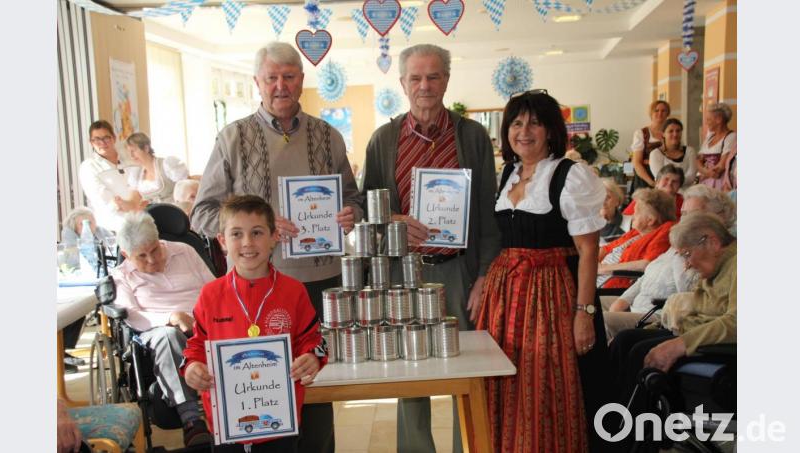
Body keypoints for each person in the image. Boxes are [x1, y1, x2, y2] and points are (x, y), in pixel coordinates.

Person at [190, 41, 361, 453]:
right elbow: (202, 213)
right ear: (257, 83)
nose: (281, 86)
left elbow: (353, 198)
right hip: (254, 290)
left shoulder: (328, 135)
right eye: (272, 78)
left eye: (289, 76)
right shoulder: (232, 137)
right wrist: (255, 229)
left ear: (301, 81)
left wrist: (349, 214)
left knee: (316, 388)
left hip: (319, 282)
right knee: (258, 387)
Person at [361, 44, 501, 453]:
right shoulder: (383, 140)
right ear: (403, 83)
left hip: (459, 270)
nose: (425, 86)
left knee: (466, 366)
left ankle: (467, 447)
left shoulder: (472, 136)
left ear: (446, 80)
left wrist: (483, 275)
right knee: (409, 371)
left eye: (434, 76)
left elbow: (488, 213)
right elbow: (370, 209)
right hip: (404, 272)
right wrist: (393, 220)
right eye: (416, 78)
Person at [475, 90, 609, 453]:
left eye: (534, 122)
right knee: (507, 381)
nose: (524, 130)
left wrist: (584, 314)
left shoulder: (569, 175)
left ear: (551, 130)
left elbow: (588, 250)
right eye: (517, 123)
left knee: (545, 383)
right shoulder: (509, 174)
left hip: (550, 298)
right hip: (506, 300)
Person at [183, 195, 325, 453]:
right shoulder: (210, 295)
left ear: (274, 238)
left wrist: (312, 357)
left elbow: (316, 341)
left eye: (257, 232)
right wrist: (193, 366)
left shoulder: (294, 292)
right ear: (223, 242)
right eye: (236, 234)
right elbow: (195, 346)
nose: (247, 243)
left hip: (280, 422)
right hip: (226, 424)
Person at [610, 212, 736, 419]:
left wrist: (679, 345)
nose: (686, 264)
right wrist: (651, 330)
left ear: (712, 242)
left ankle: (629, 437)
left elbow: (737, 322)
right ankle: (609, 426)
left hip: (724, 350)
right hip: (699, 337)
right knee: (625, 340)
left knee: (641, 352)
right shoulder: (715, 269)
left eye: (687, 254)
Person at [112, 211, 216, 448]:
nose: (152, 260)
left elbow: (214, 290)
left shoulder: (186, 251)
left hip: (204, 323)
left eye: (155, 250)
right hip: (157, 330)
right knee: (169, 336)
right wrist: (171, 317)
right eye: (142, 256)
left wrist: (201, 318)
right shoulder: (121, 275)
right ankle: (192, 422)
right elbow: (132, 316)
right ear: (126, 255)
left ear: (159, 239)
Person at [602, 186, 736, 341]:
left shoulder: (710, 249)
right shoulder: (680, 242)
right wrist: (622, 300)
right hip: (639, 302)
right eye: (683, 214)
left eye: (692, 214)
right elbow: (648, 274)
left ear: (718, 217)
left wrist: (682, 256)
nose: (684, 220)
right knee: (586, 309)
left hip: (657, 311)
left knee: (599, 321)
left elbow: (691, 292)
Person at [60, 207, 117, 372]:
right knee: (75, 310)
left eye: (90, 222)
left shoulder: (101, 233)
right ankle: (61, 353)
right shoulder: (69, 238)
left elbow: (113, 251)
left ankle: (64, 351)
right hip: (77, 282)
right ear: (74, 225)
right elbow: (70, 262)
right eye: (82, 223)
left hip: (101, 278)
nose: (88, 226)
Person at [598, 188, 677, 289]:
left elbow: (647, 264)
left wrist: (605, 268)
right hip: (599, 279)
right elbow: (606, 248)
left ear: (650, 220)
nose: (632, 215)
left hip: (613, 288)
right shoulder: (637, 231)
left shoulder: (664, 232)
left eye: (637, 212)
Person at [79, 120, 145, 231]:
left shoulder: (131, 159)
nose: (103, 143)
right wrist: (132, 204)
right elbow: (103, 201)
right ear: (91, 142)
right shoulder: (88, 167)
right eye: (97, 140)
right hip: (113, 228)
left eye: (106, 138)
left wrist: (134, 204)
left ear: (114, 138)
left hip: (143, 221)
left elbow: (146, 185)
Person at [125, 132, 191, 204]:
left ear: (146, 148)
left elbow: (188, 189)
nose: (131, 156)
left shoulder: (167, 165)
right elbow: (133, 200)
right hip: (152, 214)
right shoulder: (136, 175)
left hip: (175, 211)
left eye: (133, 151)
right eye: (129, 152)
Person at [629, 100, 670, 193]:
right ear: (651, 113)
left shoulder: (671, 133)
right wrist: (651, 183)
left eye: (664, 111)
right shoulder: (641, 133)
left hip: (666, 179)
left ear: (668, 114)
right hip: (645, 180)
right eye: (656, 110)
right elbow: (637, 163)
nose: (660, 113)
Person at [648, 118, 697, 189]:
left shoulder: (690, 151)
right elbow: (661, 178)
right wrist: (677, 182)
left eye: (678, 131)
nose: (675, 134)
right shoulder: (655, 154)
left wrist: (673, 182)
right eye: (671, 131)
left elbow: (691, 176)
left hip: (687, 195)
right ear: (663, 134)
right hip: (664, 195)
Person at [696, 102, 736, 189]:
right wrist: (706, 173)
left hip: (719, 183)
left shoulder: (731, 136)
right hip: (704, 180)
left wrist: (703, 172)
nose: (706, 123)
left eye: (708, 119)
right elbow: (698, 160)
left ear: (719, 119)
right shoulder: (710, 136)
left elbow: (721, 166)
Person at [599, 177, 625, 243]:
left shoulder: (631, 224)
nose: (603, 202)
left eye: (608, 197)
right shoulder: (587, 227)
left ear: (617, 201)